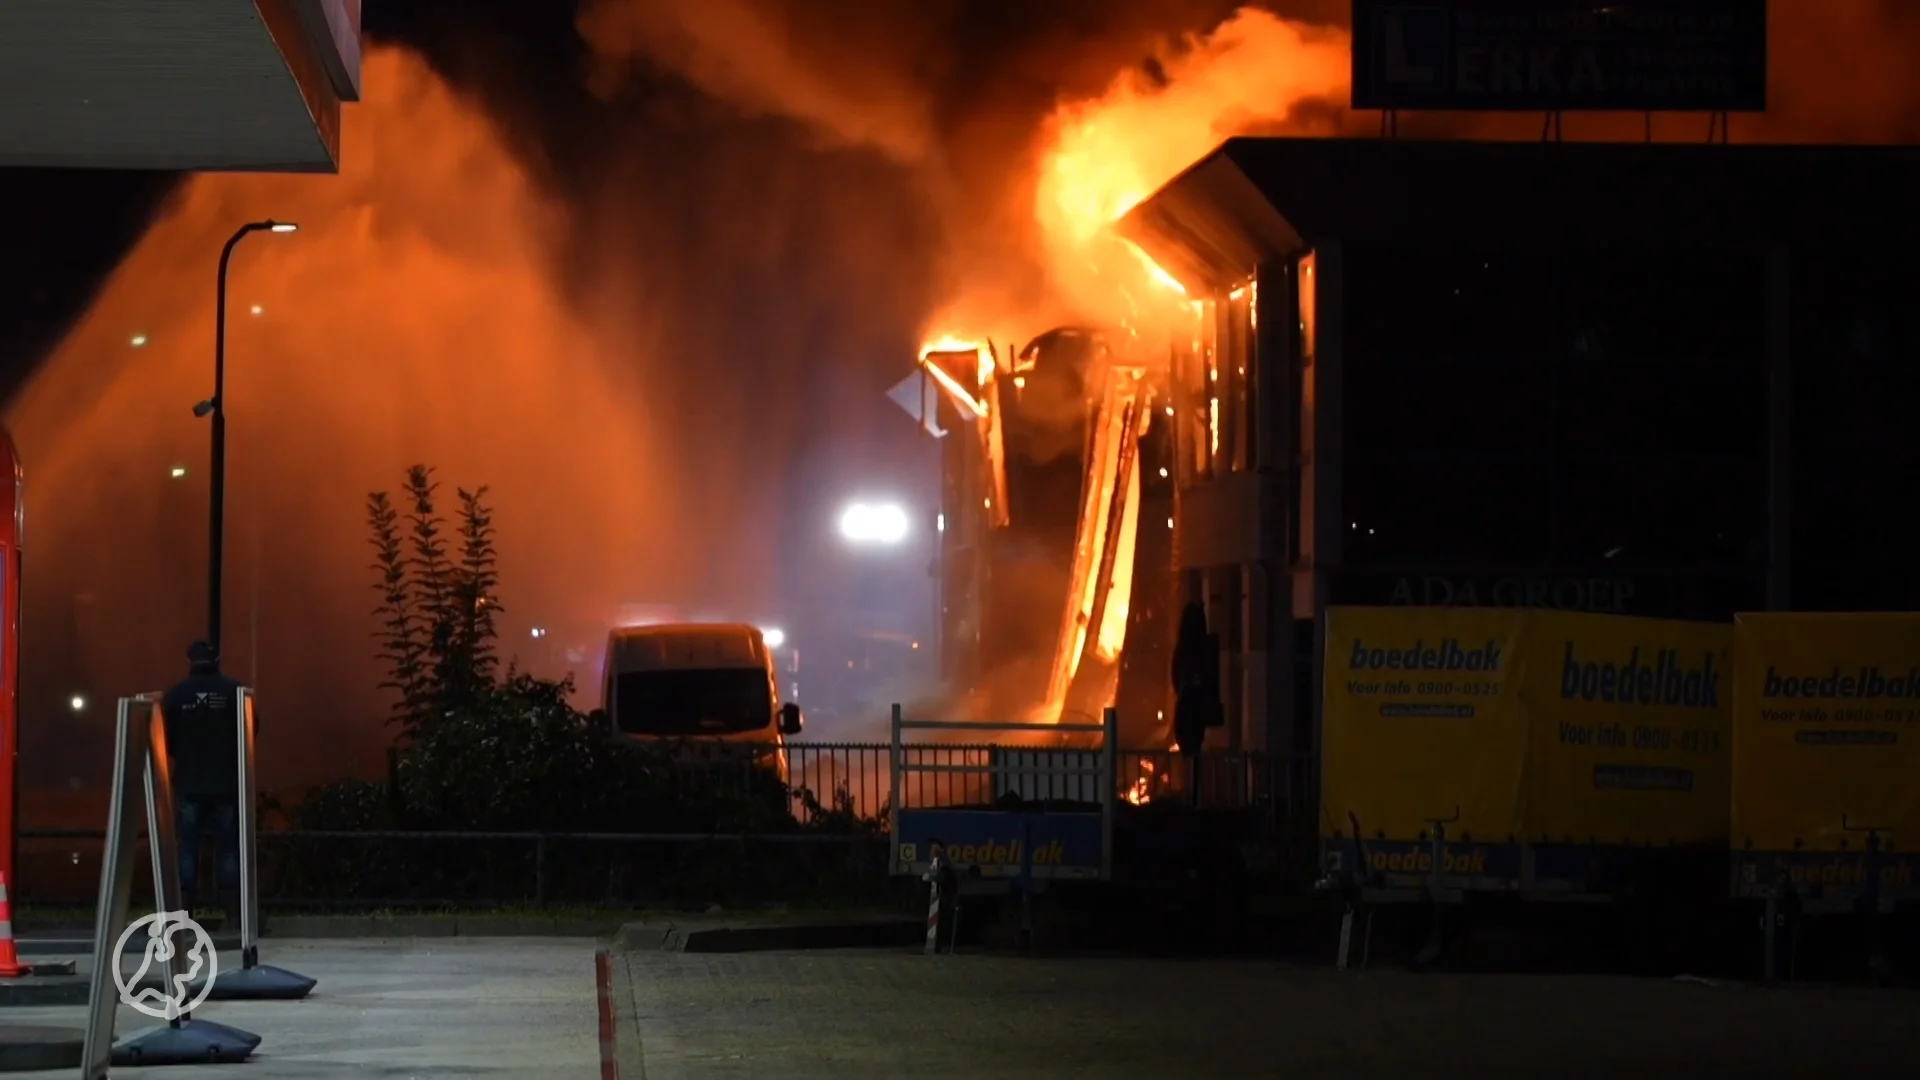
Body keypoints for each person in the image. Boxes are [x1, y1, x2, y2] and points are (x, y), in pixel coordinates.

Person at [161, 640, 247, 927]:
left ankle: (184, 913)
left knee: (188, 847)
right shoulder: (234, 692)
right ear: (217, 659)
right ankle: (234, 914)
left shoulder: (176, 696)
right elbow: (249, 730)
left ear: (189, 661)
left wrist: (184, 755)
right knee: (228, 848)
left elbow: (164, 736)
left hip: (189, 782)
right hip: (225, 783)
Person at [1170, 600, 1222, 805]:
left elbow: (1176, 678)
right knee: (1195, 756)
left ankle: (1191, 798)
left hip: (1188, 710)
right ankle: (1194, 799)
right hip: (1194, 710)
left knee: (1191, 758)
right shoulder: (1202, 649)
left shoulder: (1183, 650)